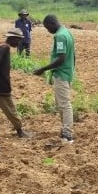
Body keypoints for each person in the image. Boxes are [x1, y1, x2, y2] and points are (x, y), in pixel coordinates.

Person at [0, 28, 34, 139]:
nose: (19, 43)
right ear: (12, 38)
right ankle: (20, 131)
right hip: (0, 87)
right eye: (18, 40)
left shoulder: (0, 46)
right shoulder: (4, 48)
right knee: (10, 109)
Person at [33, 14, 76, 143]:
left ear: (52, 24)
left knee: (64, 104)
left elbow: (61, 58)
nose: (48, 31)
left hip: (62, 74)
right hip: (66, 73)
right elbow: (73, 55)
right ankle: (65, 130)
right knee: (61, 104)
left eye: (47, 28)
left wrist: (43, 69)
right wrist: (71, 71)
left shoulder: (60, 36)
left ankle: (67, 134)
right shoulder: (67, 32)